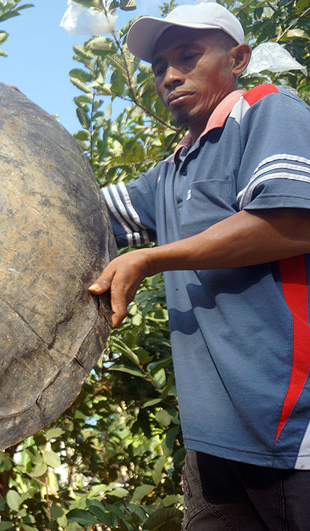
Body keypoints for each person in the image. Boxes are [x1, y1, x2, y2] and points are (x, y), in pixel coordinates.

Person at [88, 2, 310, 528]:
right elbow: (79, 211)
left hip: (290, 432)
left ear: (238, 58)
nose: (170, 75)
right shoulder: (168, 172)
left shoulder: (269, 111)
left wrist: (151, 257)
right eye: (159, 66)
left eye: (187, 56)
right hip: (213, 441)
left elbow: (290, 222)